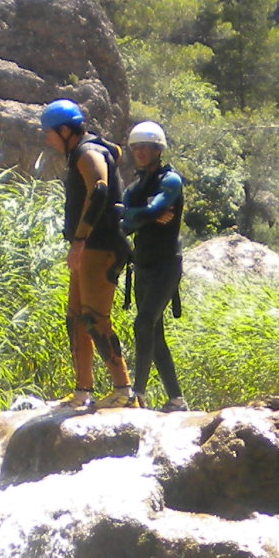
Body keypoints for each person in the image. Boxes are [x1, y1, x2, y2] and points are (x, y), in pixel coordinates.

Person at [38, 98, 135, 410]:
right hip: (90, 245)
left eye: (50, 132)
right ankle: (83, 391)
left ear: (65, 131)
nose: (47, 138)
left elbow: (100, 189)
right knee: (77, 318)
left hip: (100, 245)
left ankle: (124, 390)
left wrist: (79, 240)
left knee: (94, 318)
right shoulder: (84, 149)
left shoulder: (86, 151)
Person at [118, 120, 188, 410]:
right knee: (154, 336)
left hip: (165, 267)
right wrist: (140, 214)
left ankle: (138, 393)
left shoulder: (170, 181)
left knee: (142, 323)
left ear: (158, 150)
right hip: (143, 267)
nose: (140, 152)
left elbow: (152, 210)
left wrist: (137, 214)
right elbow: (125, 224)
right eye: (136, 148)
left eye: (145, 147)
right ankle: (176, 399)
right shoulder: (136, 186)